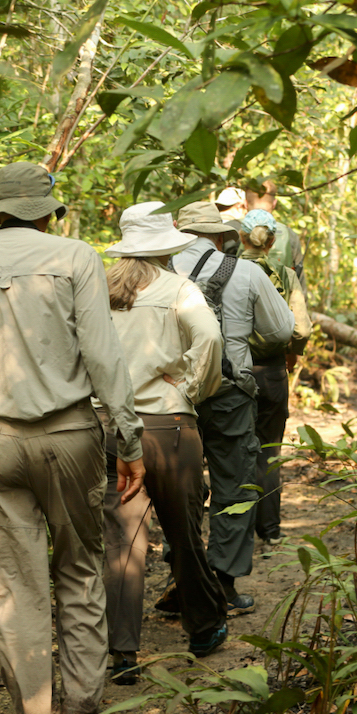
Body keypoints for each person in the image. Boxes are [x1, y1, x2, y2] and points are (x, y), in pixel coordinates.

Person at [0, 161, 145, 714]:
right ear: (47, 213)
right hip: (71, 434)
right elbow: (103, 355)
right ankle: (84, 702)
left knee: (14, 583)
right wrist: (129, 441)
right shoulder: (75, 257)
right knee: (79, 565)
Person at [99, 202, 230, 682]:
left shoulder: (97, 289)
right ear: (164, 244)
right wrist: (193, 388)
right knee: (184, 533)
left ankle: (122, 654)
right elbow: (210, 340)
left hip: (109, 428)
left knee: (122, 544)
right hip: (169, 426)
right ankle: (204, 628)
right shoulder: (179, 288)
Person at [172, 201, 294, 614]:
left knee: (178, 488)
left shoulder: (156, 272)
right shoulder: (245, 272)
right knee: (235, 485)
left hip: (172, 397)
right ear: (221, 235)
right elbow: (282, 330)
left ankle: (183, 580)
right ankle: (223, 582)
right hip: (229, 394)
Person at [238, 209, 312, 547]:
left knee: (236, 451)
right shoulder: (285, 275)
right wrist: (292, 352)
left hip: (234, 373)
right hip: (271, 372)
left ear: (241, 238)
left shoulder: (226, 271)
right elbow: (301, 328)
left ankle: (238, 533)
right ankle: (269, 531)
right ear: (271, 242)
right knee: (268, 452)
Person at [245, 180, 306, 297]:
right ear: (274, 203)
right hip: (280, 304)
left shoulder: (233, 232)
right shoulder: (289, 235)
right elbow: (299, 286)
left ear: (245, 203)